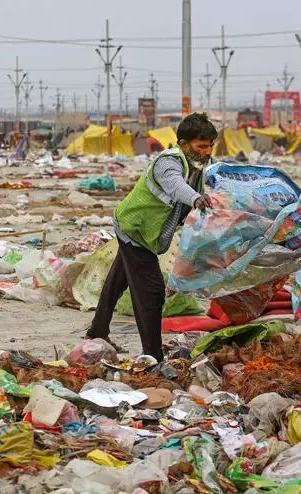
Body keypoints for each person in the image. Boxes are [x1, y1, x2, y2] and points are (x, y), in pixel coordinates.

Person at [84, 112, 217, 361]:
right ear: (184, 144)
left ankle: (97, 330)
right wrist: (196, 199)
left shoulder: (198, 165)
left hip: (144, 231)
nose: (207, 151)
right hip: (135, 230)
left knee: (117, 282)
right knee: (152, 291)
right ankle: (153, 355)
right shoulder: (169, 162)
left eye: (210, 146)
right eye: (202, 146)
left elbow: (209, 185)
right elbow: (177, 187)